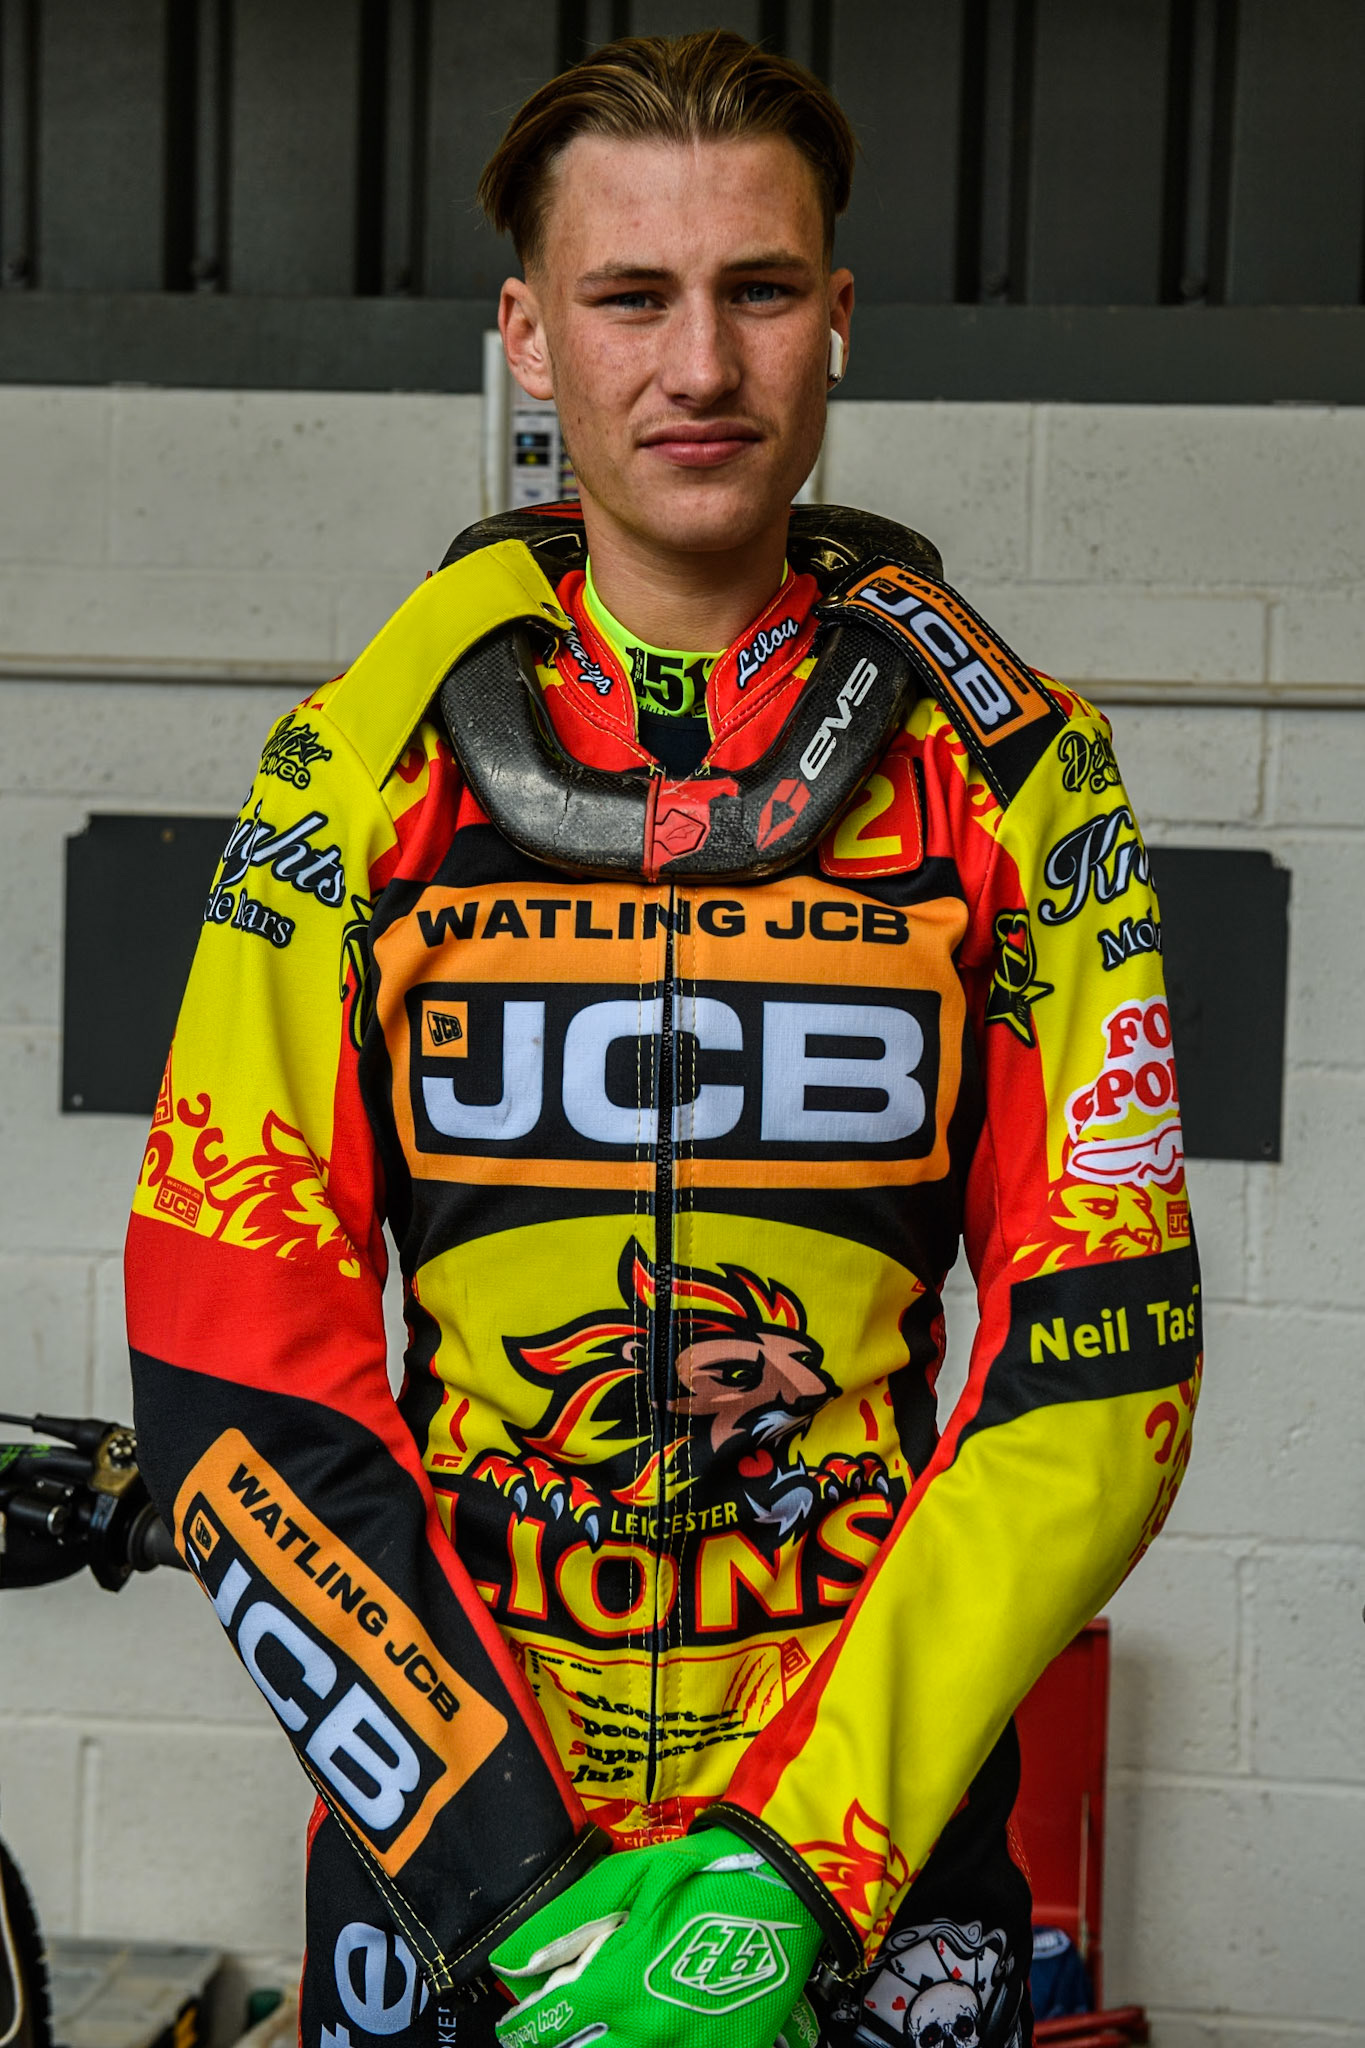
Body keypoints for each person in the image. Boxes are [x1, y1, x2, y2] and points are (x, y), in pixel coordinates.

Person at [126, 30, 1201, 2048]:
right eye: (630, 297)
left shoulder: (1020, 781)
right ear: (531, 337)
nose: (697, 367)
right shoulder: (354, 770)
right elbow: (226, 1341)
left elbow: (1102, 1362)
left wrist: (793, 1871)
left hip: (872, 1866)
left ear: (835, 319)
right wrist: (506, 1878)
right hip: (456, 1861)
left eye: (757, 290)